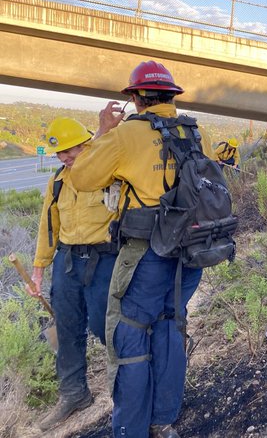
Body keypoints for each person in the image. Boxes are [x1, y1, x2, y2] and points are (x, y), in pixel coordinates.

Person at [70, 61, 217, 438]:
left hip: (147, 252)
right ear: (170, 96)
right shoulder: (190, 129)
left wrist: (104, 130)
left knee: (130, 333)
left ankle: (130, 429)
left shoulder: (127, 134)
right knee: (170, 325)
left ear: (136, 97)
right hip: (189, 250)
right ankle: (163, 420)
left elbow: (81, 176)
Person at [29, 118, 118, 432]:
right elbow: (48, 228)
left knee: (104, 325)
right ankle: (74, 394)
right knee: (66, 328)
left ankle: (125, 390)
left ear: (86, 143)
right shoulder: (57, 181)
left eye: (69, 150)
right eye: (59, 153)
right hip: (66, 261)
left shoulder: (108, 171)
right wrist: (39, 271)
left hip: (103, 259)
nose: (64, 157)